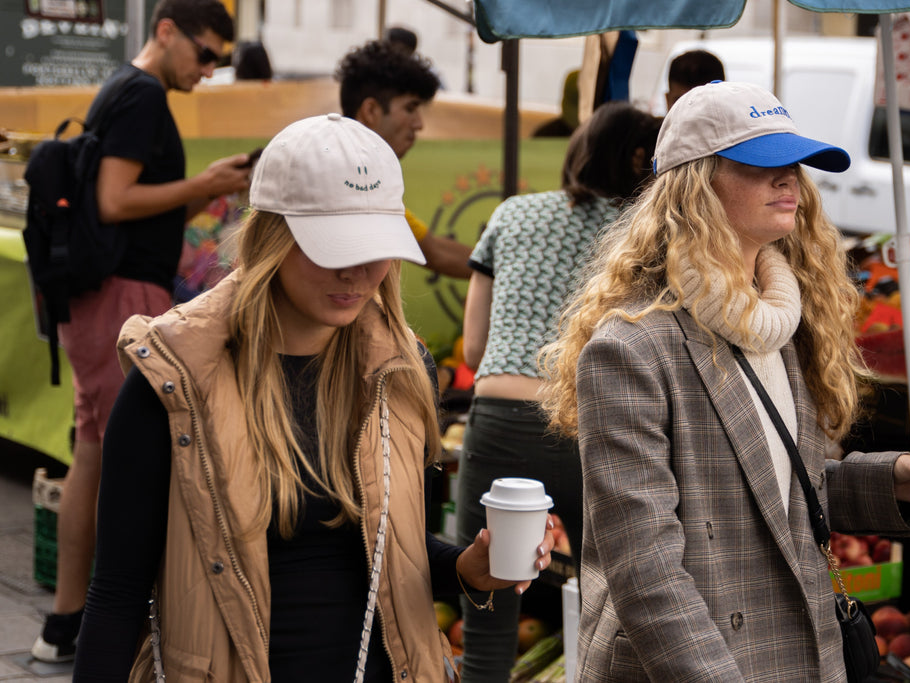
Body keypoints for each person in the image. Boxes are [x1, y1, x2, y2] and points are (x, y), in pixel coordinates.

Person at [70, 113, 554, 681]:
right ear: (272, 236)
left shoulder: (401, 369)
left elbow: (387, 550)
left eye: (376, 244)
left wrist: (471, 568)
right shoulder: (173, 378)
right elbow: (117, 594)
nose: (358, 270)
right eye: (334, 246)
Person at [538, 81, 910, 682]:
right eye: (762, 163)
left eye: (793, 163)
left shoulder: (779, 323)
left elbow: (774, 495)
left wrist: (896, 480)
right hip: (694, 664)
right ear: (695, 185)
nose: (790, 179)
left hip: (794, 650)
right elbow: (646, 568)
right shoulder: (630, 348)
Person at [31, 0, 253, 664]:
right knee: (117, 456)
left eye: (219, 59)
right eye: (205, 53)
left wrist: (201, 190)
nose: (208, 70)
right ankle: (93, 622)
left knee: (94, 451)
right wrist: (206, 180)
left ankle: (67, 622)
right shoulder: (143, 97)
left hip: (103, 290)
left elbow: (122, 199)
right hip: (123, 291)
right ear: (165, 31)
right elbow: (114, 200)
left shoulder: (124, 92)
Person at [456, 101, 661, 683]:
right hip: (593, 421)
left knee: (488, 600)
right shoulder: (642, 236)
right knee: (613, 600)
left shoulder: (512, 215)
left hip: (500, 415)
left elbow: (473, 352)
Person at [335, 39, 473, 279]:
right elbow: (436, 254)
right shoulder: (345, 176)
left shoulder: (366, 177)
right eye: (410, 109)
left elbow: (433, 250)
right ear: (371, 111)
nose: (419, 124)